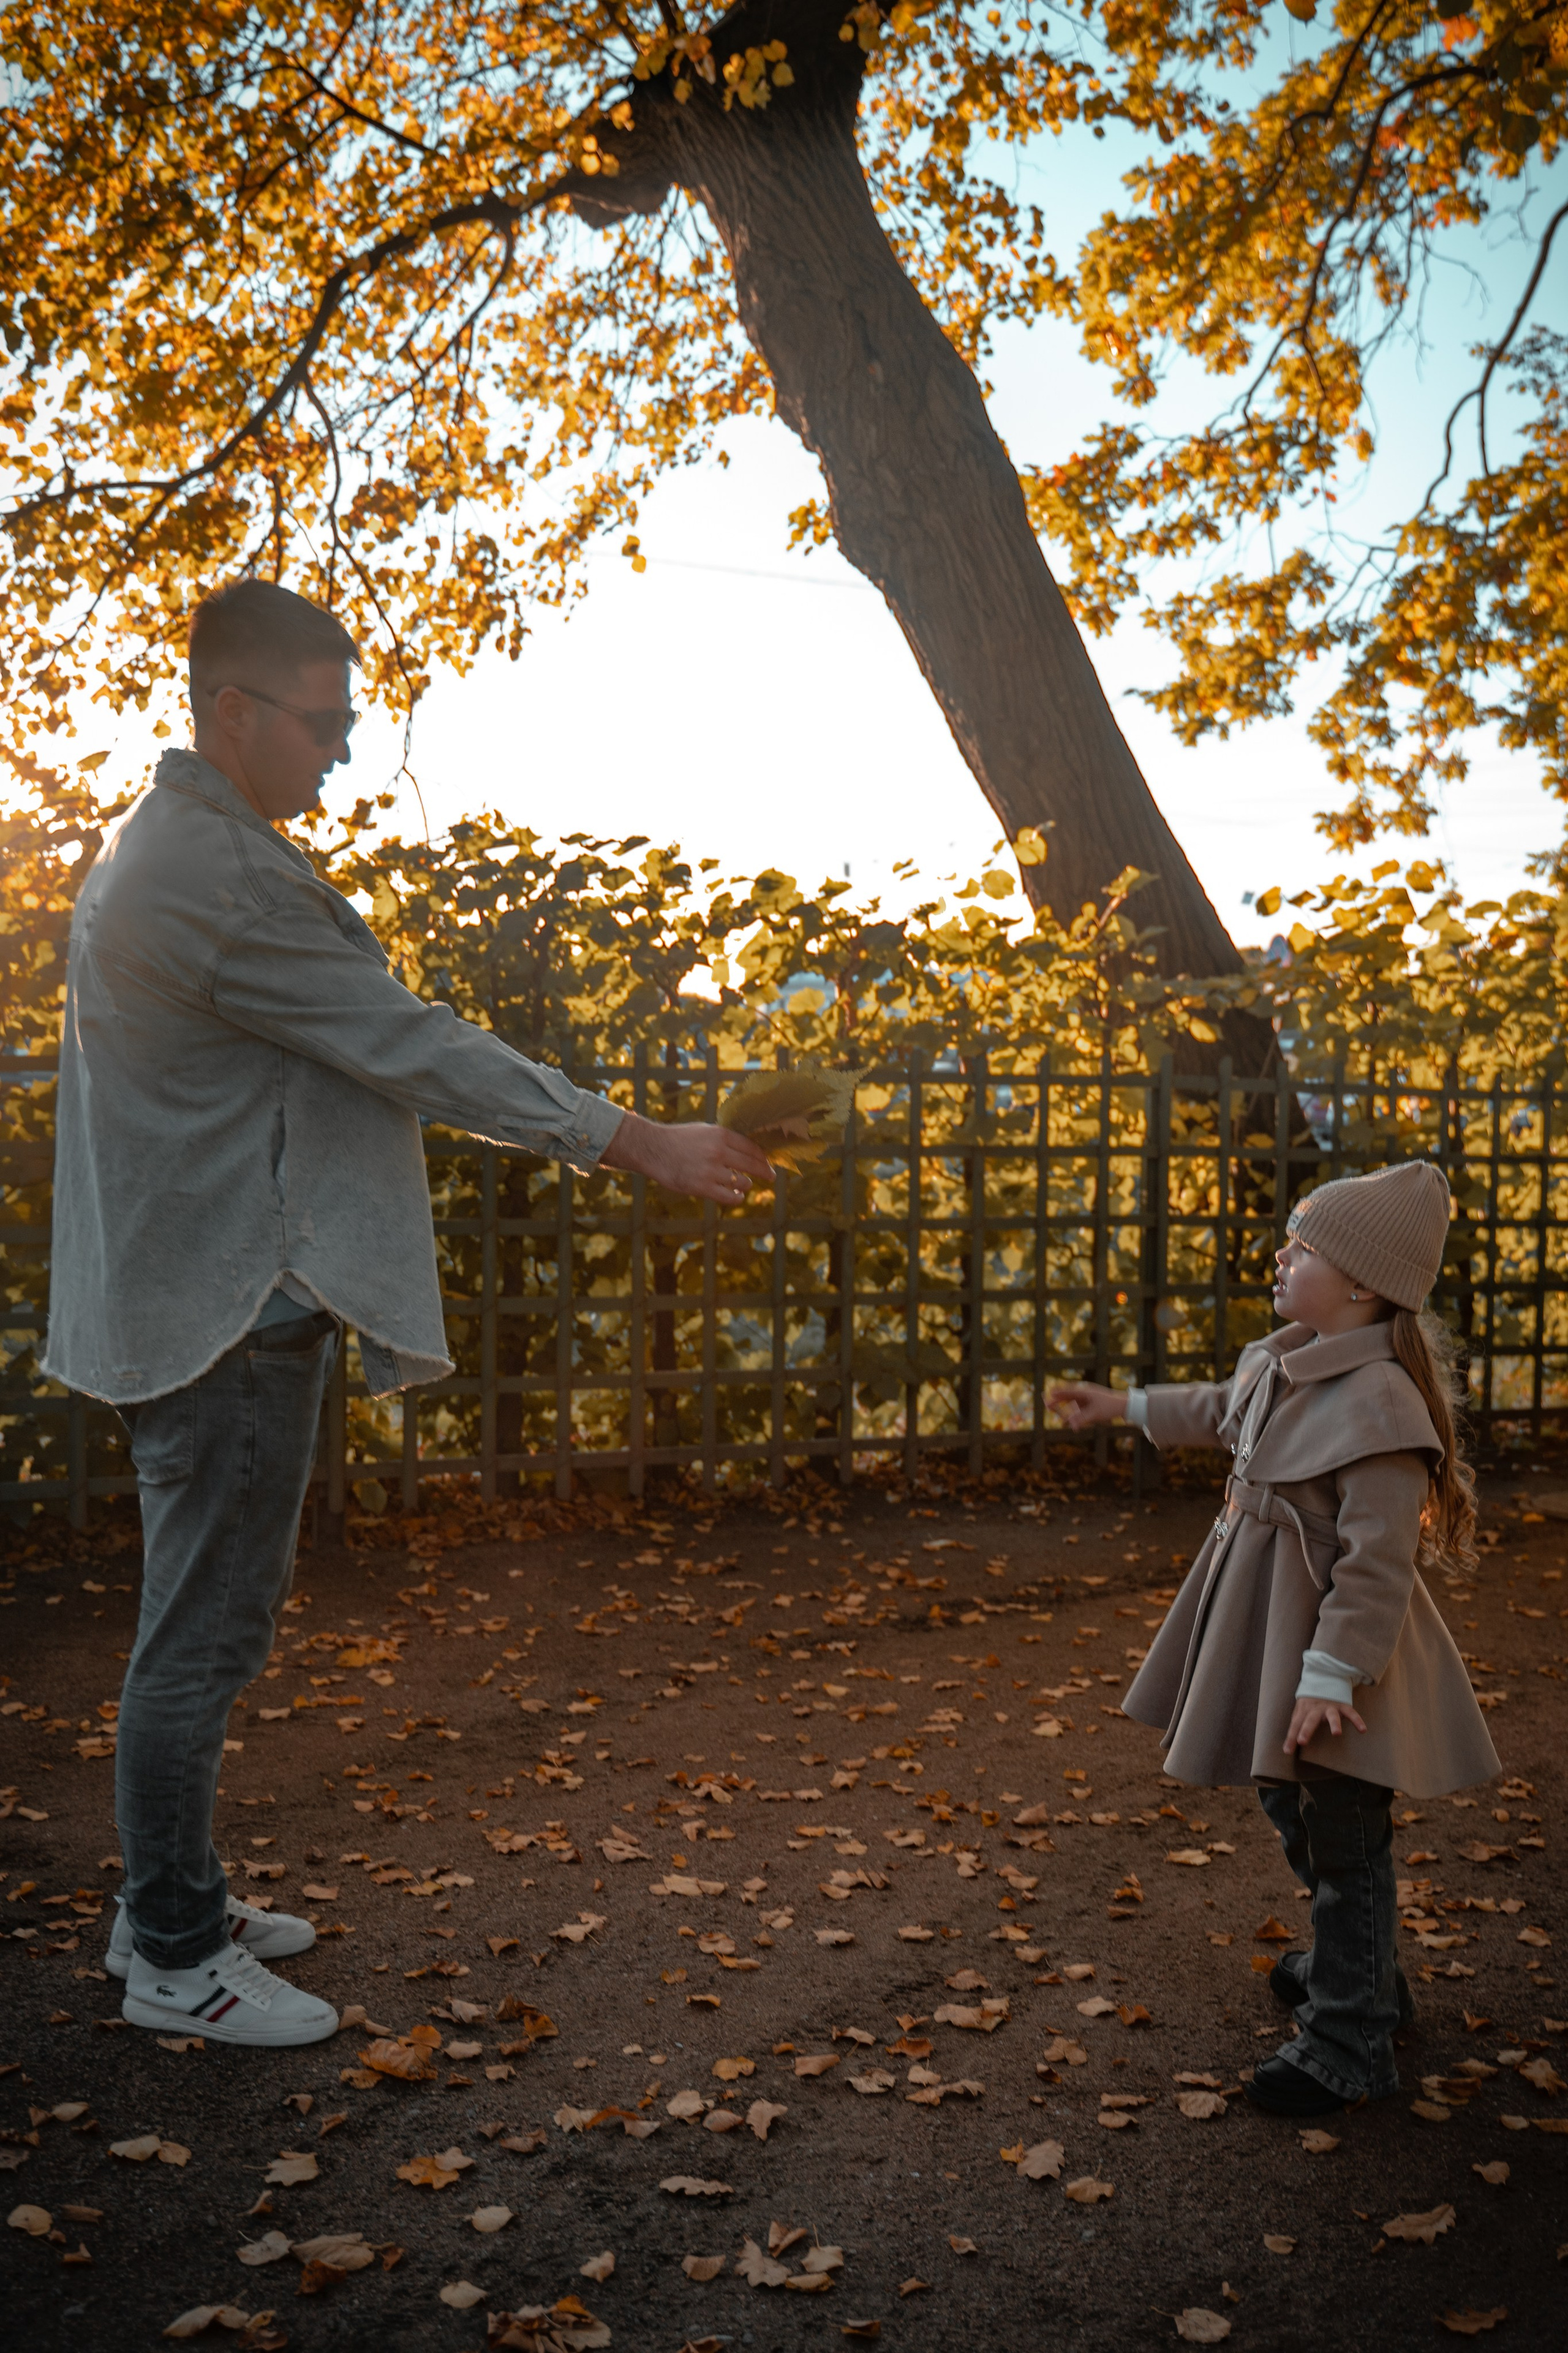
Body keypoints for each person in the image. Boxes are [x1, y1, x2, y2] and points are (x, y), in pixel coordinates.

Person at [43, 578, 773, 2049]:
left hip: (208, 1298)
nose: (342, 754)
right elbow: (411, 1043)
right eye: (322, 724)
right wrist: (635, 1137)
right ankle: (175, 1955)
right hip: (227, 1313)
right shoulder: (218, 878)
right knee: (201, 1641)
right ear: (233, 714)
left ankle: (167, 1898)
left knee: (200, 1628)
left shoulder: (175, 845)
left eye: (351, 723)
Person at [1049, 1161, 1499, 2118]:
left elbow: (1376, 1564)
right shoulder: (1281, 1357)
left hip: (1338, 1668)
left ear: (1364, 1283)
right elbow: (1220, 1409)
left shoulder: (1380, 1405)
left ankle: (1349, 2040)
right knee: (1292, 1808)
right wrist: (1122, 1406)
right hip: (1270, 1645)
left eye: (1305, 1247)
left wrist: (1332, 1672)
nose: (1283, 1255)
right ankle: (1361, 1970)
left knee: (1343, 1836)